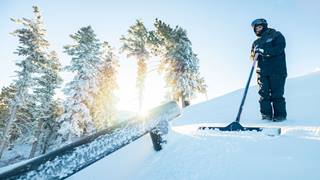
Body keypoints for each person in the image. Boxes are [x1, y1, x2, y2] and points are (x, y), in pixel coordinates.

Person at [250, 18, 287, 121]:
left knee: (277, 94)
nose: (258, 30)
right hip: (262, 72)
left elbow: (280, 48)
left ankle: (280, 117)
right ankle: (266, 117)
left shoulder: (275, 35)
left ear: (265, 26)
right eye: (256, 29)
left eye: (260, 27)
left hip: (277, 70)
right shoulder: (256, 42)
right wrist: (254, 54)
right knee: (263, 94)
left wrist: (264, 50)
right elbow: (252, 57)